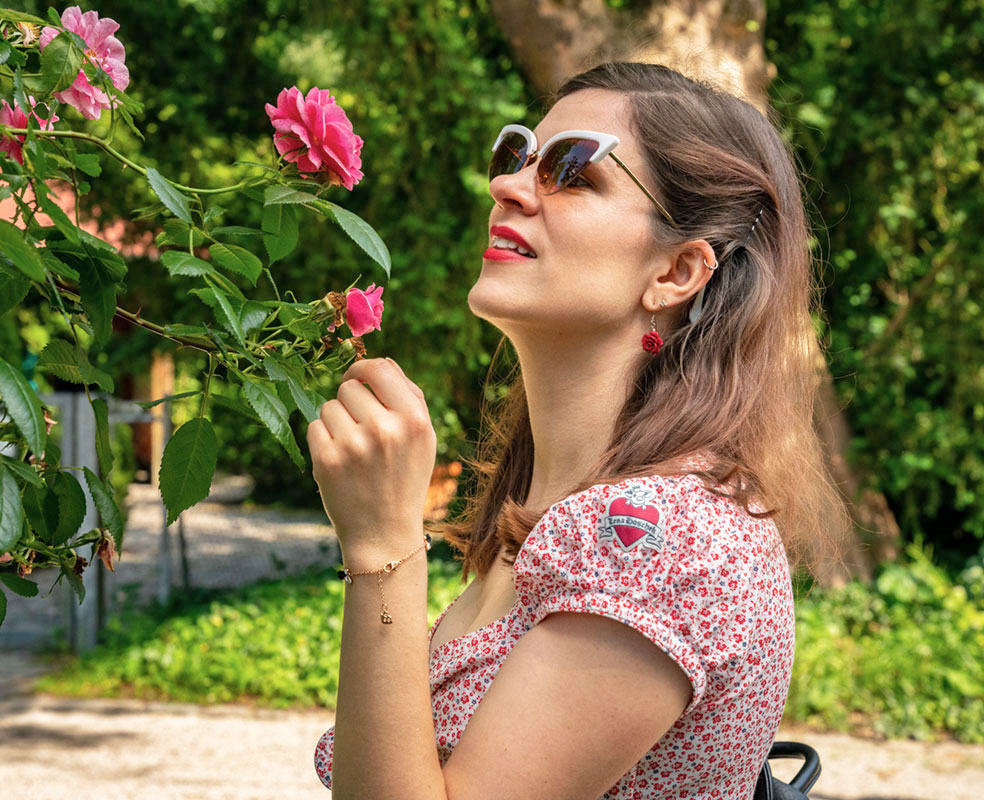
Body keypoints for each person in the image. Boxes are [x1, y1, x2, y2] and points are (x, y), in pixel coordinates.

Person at [305, 60, 847, 799]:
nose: (507, 186)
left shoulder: (662, 538)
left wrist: (384, 546)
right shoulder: (556, 518)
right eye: (517, 155)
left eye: (574, 171)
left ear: (677, 272)